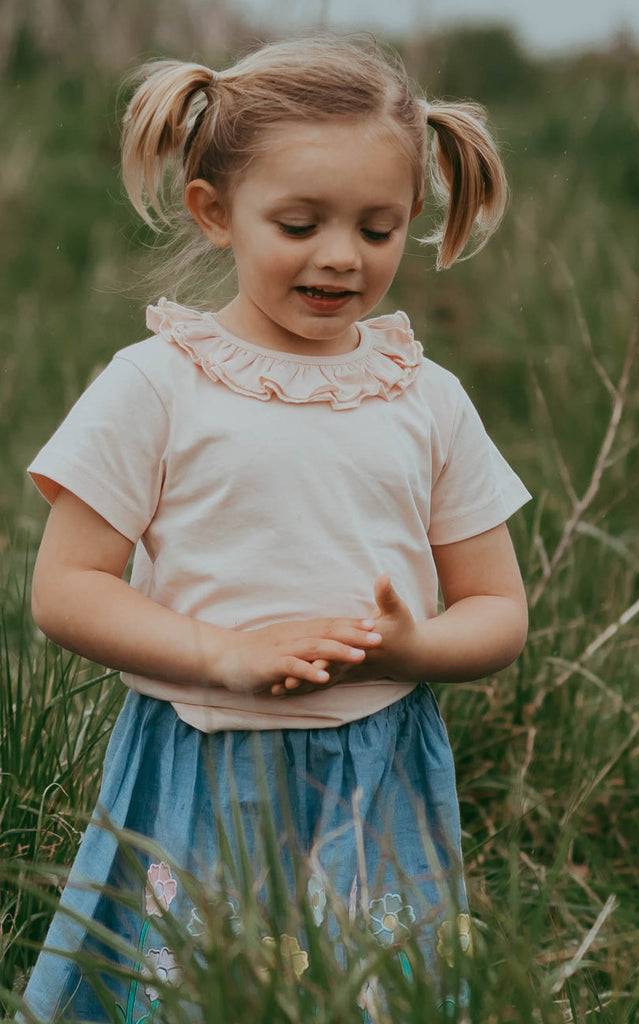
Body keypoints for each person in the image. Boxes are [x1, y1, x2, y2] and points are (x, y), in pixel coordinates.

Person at [19, 36, 530, 1023]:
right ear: (215, 213)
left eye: (378, 230)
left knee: (372, 1001)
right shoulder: (157, 386)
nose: (341, 254)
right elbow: (67, 587)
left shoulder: (426, 399)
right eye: (300, 222)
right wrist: (224, 653)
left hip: (375, 769)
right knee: (198, 997)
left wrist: (416, 645)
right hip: (205, 768)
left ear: (414, 219)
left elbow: (499, 606)